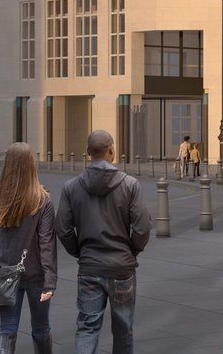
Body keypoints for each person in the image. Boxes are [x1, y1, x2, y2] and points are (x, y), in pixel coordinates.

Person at [55, 129, 152, 354]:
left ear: (88, 152)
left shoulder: (71, 187)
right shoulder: (130, 184)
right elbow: (142, 227)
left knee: (87, 328)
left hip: (90, 265)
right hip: (122, 267)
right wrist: (133, 250)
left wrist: (79, 251)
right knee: (123, 329)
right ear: (111, 150)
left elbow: (63, 228)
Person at [0, 142, 57, 354]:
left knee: (7, 329)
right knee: (41, 328)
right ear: (31, 164)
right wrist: (50, 282)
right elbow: (47, 244)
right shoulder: (42, 199)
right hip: (36, 274)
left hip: (6, 272)